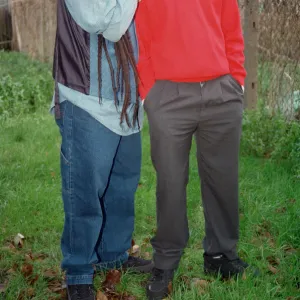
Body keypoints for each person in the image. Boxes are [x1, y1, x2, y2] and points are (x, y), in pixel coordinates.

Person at [135, 0, 249, 298]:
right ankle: (166, 260)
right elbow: (139, 32)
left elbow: (231, 27)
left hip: (221, 92)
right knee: (171, 182)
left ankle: (221, 255)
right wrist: (149, 91)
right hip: (168, 95)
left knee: (223, 179)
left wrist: (236, 79)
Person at [51, 1, 152, 299]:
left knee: (122, 186)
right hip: (88, 96)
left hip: (127, 98)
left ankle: (114, 254)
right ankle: (80, 270)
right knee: (84, 190)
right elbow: (104, 21)